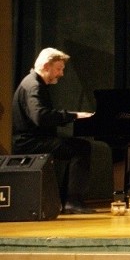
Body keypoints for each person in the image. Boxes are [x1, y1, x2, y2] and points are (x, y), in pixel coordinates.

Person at [12, 48, 96, 214]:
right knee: (80, 148)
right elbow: (40, 116)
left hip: (32, 140)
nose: (61, 73)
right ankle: (72, 201)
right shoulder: (34, 86)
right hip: (29, 143)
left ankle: (68, 201)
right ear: (46, 66)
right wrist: (74, 115)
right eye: (59, 69)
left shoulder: (32, 82)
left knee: (77, 146)